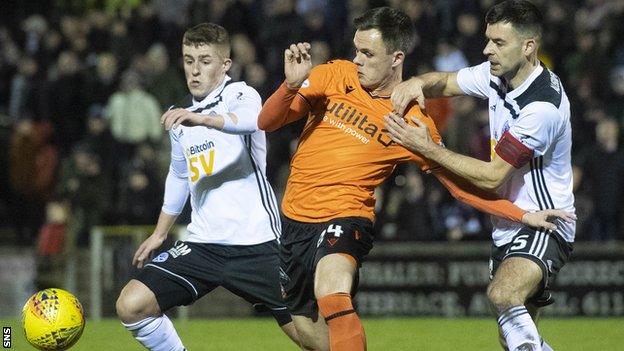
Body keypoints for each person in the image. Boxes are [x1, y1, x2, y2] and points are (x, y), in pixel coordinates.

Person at [257, 7, 569, 351]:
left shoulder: (411, 122)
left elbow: (467, 183)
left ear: (396, 57)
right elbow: (267, 122)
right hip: (294, 219)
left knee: (332, 290)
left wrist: (522, 215)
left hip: (346, 219)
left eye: (367, 53)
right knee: (311, 338)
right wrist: (290, 85)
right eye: (356, 50)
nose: (357, 60)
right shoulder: (334, 74)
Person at [385, 1, 575, 350]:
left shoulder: (541, 108)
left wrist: (427, 147)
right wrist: (415, 83)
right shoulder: (496, 75)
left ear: (529, 46)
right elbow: (444, 81)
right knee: (514, 337)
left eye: (499, 43)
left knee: (502, 293)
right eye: (488, 40)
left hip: (544, 222)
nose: (487, 49)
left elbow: (491, 176)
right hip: (507, 223)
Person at [115, 23, 299, 351]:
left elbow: (250, 121)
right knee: (131, 304)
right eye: (188, 60)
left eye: (205, 60)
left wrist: (201, 118)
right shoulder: (179, 116)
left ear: (225, 64)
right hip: (202, 245)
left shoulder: (241, 94)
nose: (195, 70)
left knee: (313, 340)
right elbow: (179, 175)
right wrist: (160, 233)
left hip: (257, 242)